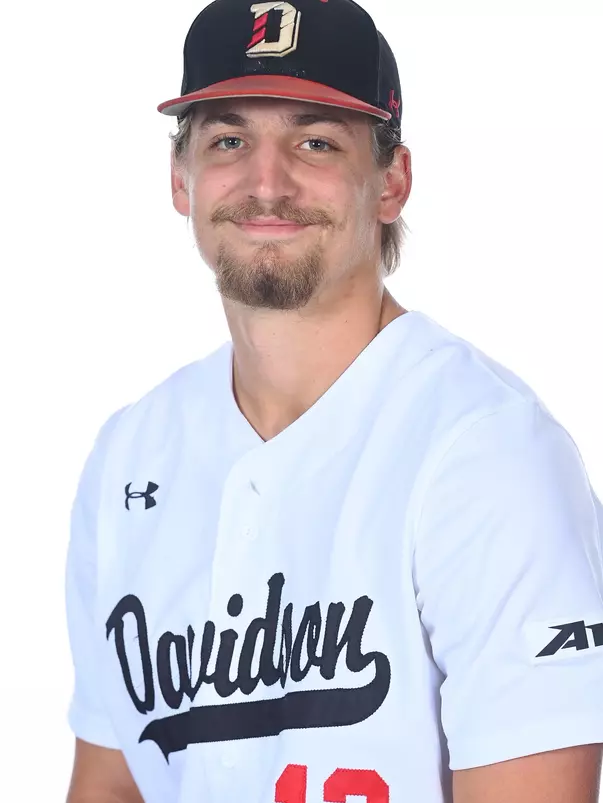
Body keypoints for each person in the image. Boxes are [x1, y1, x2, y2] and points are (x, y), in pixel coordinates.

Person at [64, 0, 603, 801]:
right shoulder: (129, 454)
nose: (266, 182)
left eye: (314, 142)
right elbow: (111, 782)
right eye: (228, 141)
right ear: (180, 179)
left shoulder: (486, 454)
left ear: (391, 182)